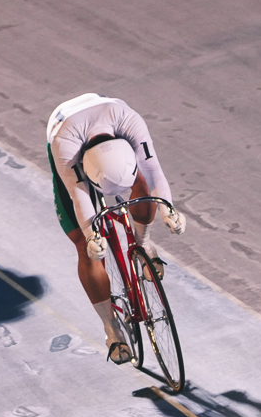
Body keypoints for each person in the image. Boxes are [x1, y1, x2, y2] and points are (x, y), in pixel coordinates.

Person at [46, 93, 185, 364]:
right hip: (65, 133)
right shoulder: (65, 146)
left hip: (112, 131)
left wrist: (168, 208)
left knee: (142, 187)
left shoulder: (130, 122)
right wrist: (90, 237)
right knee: (83, 245)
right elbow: (79, 195)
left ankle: (143, 243)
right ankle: (112, 329)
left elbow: (153, 169)